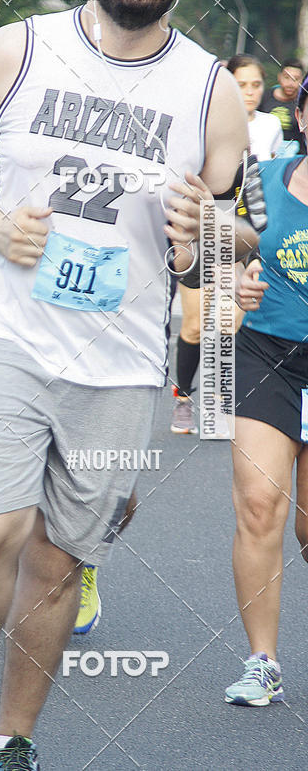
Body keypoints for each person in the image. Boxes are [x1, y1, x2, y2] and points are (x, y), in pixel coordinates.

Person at [0, 0, 258, 770]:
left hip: (123, 361)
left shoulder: (210, 90)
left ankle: (13, 740)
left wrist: (205, 233)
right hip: (8, 334)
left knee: (59, 562)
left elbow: (238, 230)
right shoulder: (20, 49)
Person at [224, 75, 308, 707]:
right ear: (301, 115)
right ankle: (263, 661)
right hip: (266, 354)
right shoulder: (262, 178)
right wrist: (236, 280)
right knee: (258, 505)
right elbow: (226, 248)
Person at [170, 53, 283, 436]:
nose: (249, 92)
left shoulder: (268, 127)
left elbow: (259, 194)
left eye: (256, 85)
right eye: (241, 84)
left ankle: (218, 401)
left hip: (239, 230)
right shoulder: (198, 125)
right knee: (195, 325)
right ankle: (183, 397)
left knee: (229, 322)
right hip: (199, 231)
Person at [259, 58, 306, 155]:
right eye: (287, 77)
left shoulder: (304, 103)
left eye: (295, 79)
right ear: (279, 77)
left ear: (301, 80)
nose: (290, 84)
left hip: (297, 157)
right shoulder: (263, 98)